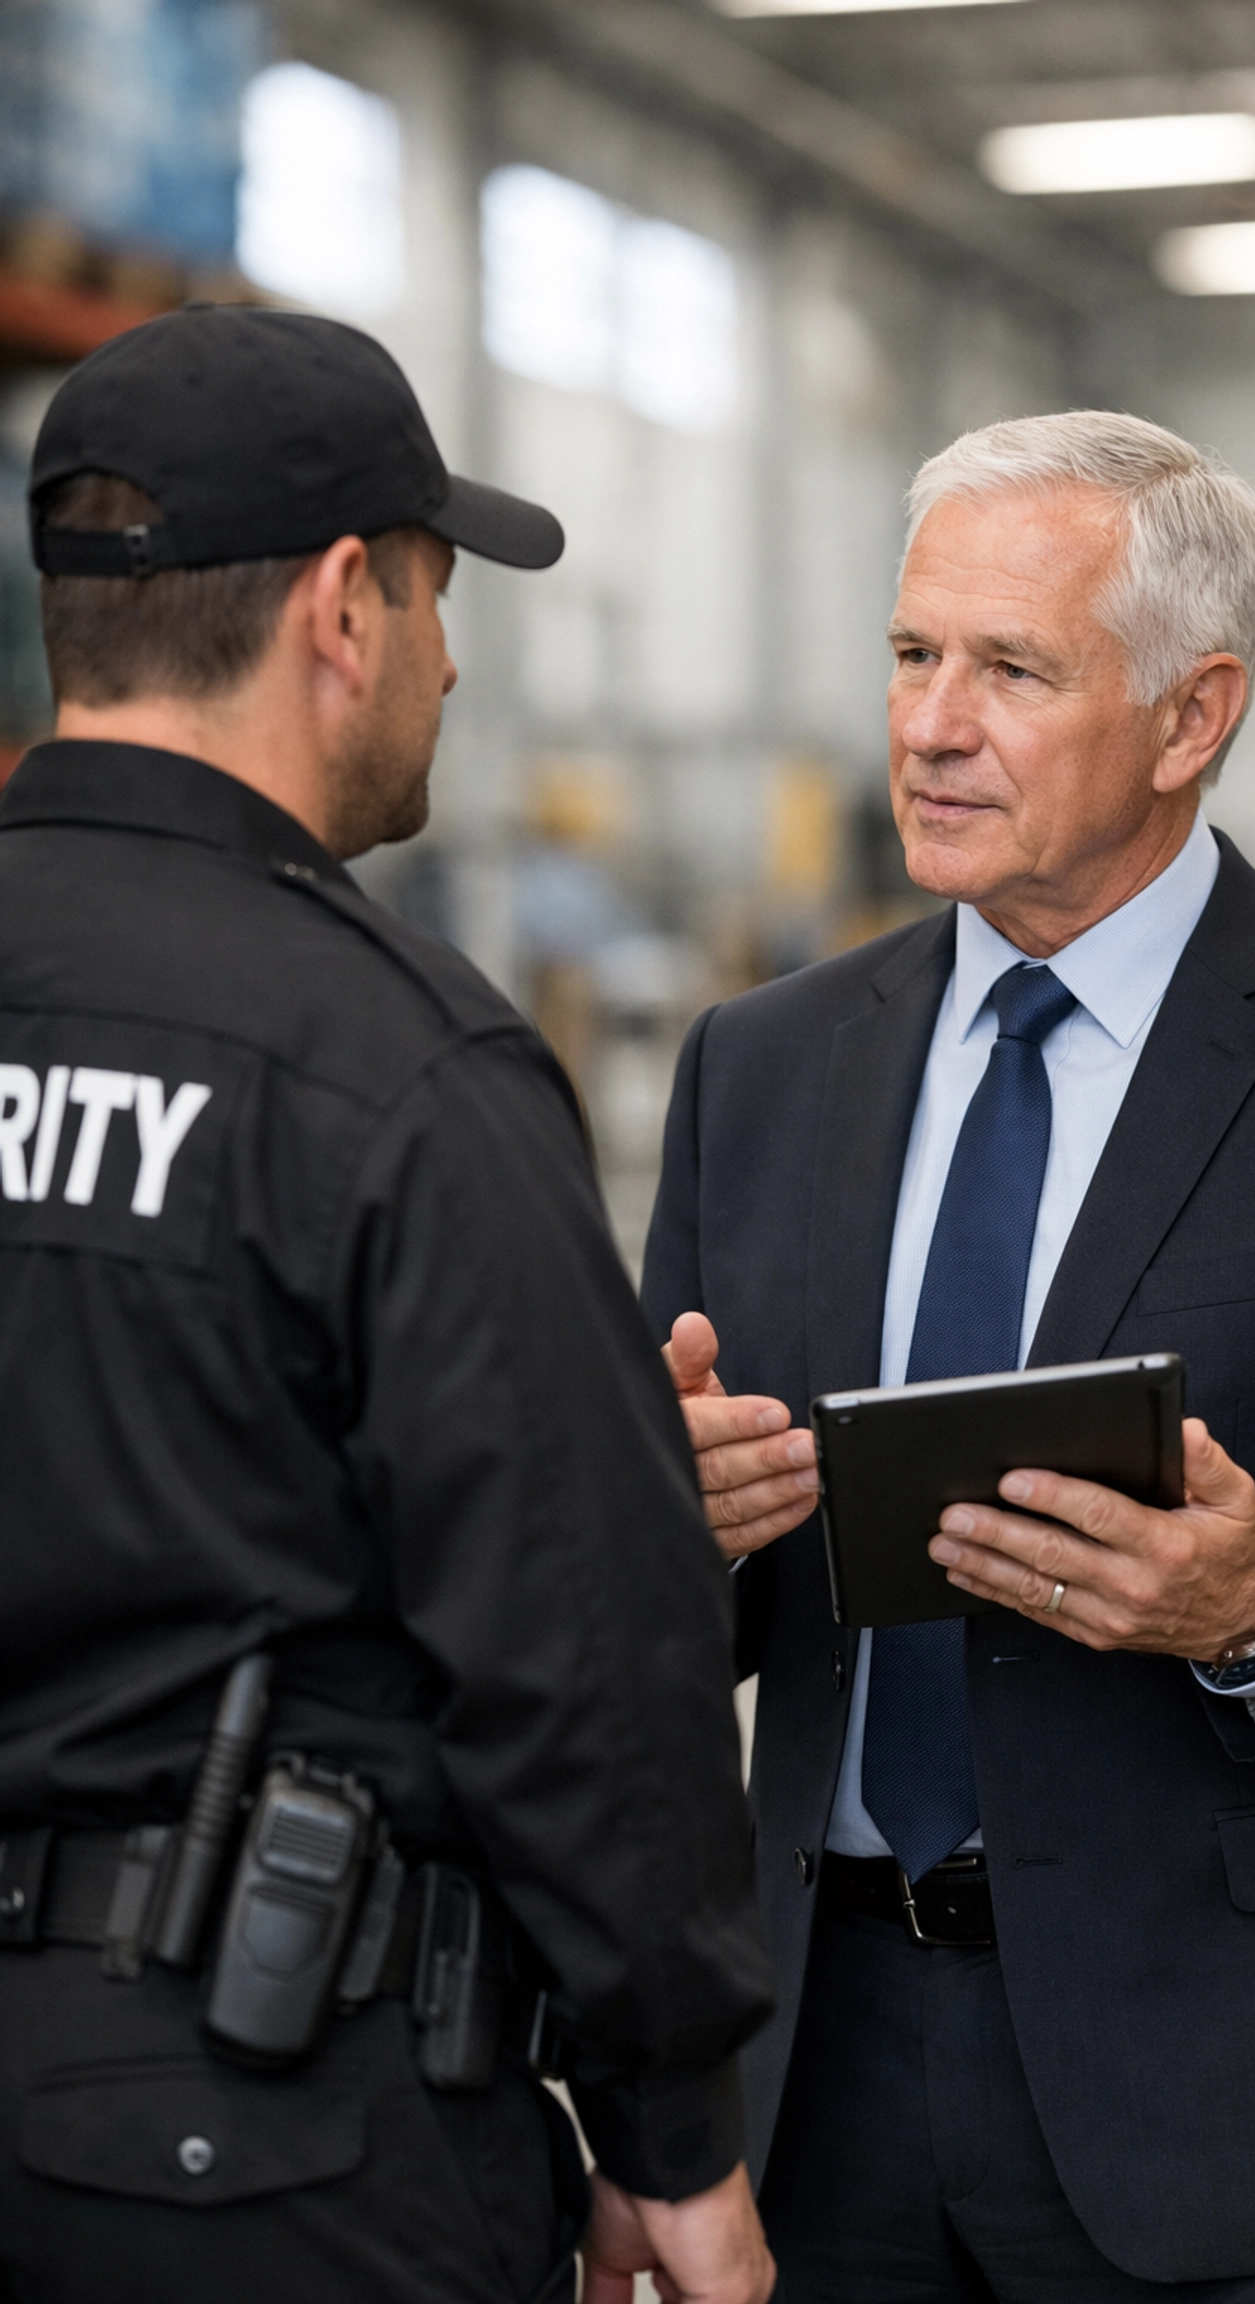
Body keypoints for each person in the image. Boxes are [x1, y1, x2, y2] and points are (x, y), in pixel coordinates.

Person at [642, 410, 1255, 2304]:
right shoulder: (762, 1068)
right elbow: (667, 1609)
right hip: (826, 2073)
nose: (928, 725)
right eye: (911, 654)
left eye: (1012, 670)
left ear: (1193, 715)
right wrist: (671, 1522)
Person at [0, 305, 774, 2304]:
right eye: (436, 595)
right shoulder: (396, 1064)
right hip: (263, 2142)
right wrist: (673, 2127)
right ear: (343, 607)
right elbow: (581, 1654)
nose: (449, 659)